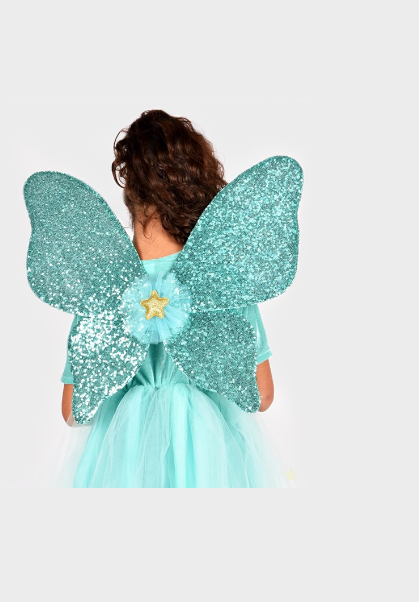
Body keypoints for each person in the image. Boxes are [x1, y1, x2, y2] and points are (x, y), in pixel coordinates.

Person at [25, 109, 302, 487]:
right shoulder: (219, 274)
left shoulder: (105, 282)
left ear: (129, 192)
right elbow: (263, 394)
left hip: (123, 459)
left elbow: (73, 409)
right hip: (207, 458)